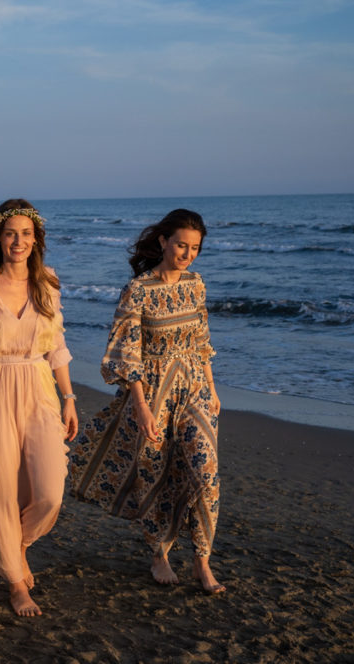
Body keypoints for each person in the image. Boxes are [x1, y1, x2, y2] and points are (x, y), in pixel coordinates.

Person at [69, 208, 225, 593]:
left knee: (205, 471)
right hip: (153, 392)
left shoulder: (196, 283)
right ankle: (159, 554)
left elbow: (202, 341)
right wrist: (139, 405)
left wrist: (212, 387)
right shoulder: (138, 290)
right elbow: (126, 351)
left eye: (195, 248)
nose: (187, 254)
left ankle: (202, 560)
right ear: (162, 242)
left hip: (195, 389)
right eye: (180, 245)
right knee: (155, 472)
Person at [0, 199, 78, 617]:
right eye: (11, 233)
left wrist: (70, 398)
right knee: (0, 489)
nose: (18, 241)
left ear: (36, 239)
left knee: (49, 489)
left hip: (39, 385)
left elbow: (56, 345)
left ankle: (13, 544)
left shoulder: (49, 282)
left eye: (26, 234)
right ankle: (15, 581)